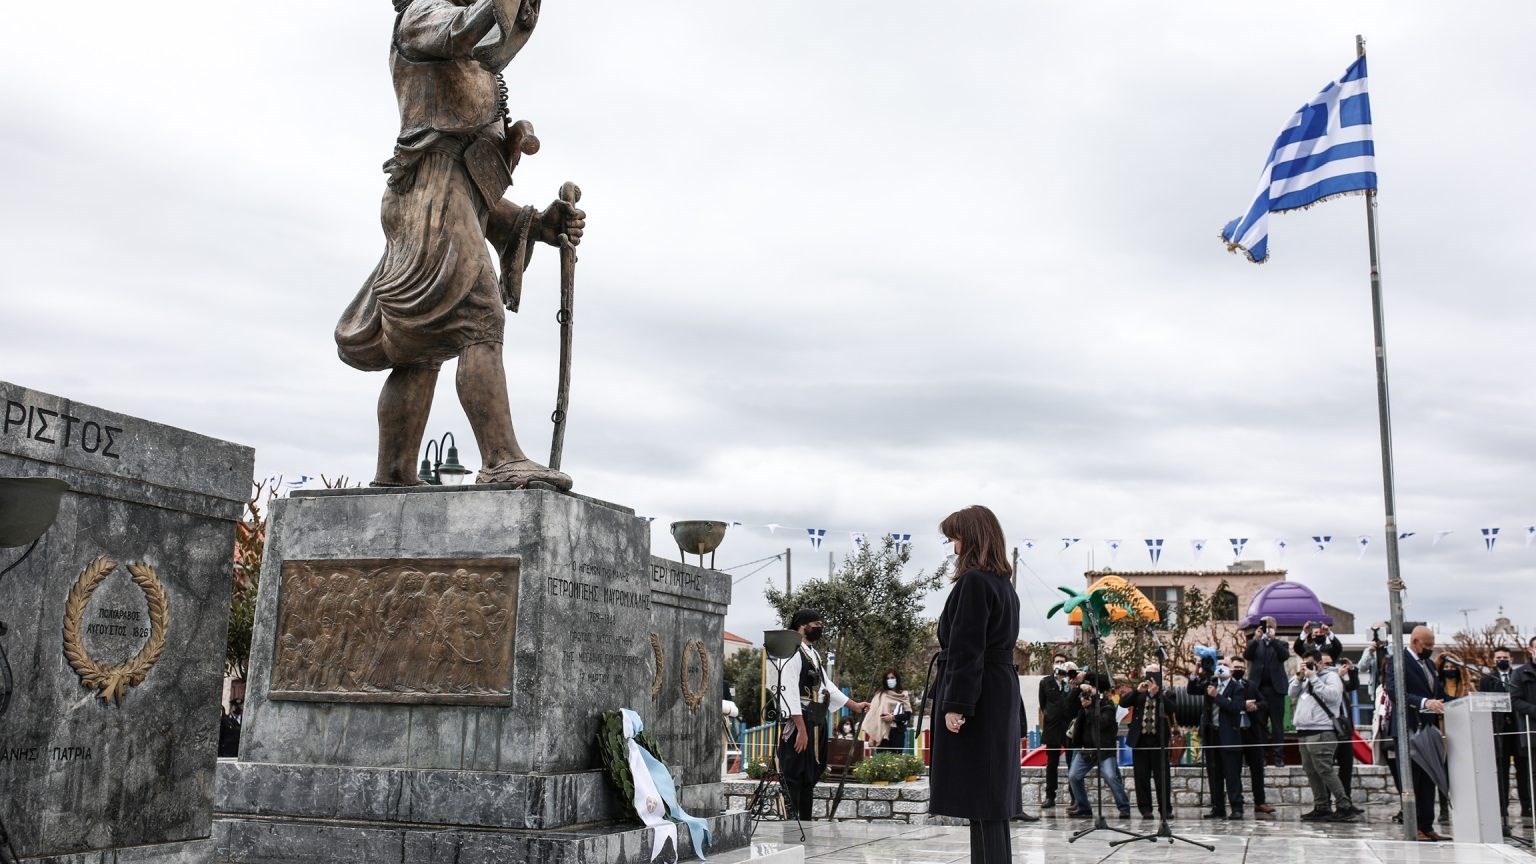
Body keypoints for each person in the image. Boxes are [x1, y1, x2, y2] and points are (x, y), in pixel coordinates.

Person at [336, 0, 587, 490]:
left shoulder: (472, 67)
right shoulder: (420, 18)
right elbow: (463, 29)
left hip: (443, 195)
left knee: (420, 345)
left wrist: (536, 223)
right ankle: (501, 459)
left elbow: (472, 190)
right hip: (428, 195)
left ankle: (393, 475)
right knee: (479, 317)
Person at [928, 505, 1022, 864]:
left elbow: (968, 647)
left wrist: (956, 704)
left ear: (969, 538)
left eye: (954, 537)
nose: (952, 545)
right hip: (998, 690)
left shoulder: (974, 582)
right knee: (989, 800)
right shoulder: (1002, 585)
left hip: (979, 694)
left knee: (983, 797)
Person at [776, 608, 870, 821]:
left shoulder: (813, 653)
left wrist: (854, 706)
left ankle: (806, 822)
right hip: (800, 721)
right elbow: (789, 691)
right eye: (816, 625)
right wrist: (800, 729)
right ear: (803, 626)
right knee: (795, 771)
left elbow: (828, 687)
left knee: (811, 772)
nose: (820, 629)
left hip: (816, 719)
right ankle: (793, 823)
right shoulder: (792, 652)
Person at [1388, 625, 1452, 840]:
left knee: (1427, 779)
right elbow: (1394, 691)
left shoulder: (1430, 665)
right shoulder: (1397, 661)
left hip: (1428, 730)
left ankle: (1427, 826)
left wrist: (1459, 702)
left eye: (1432, 646)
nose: (1430, 649)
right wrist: (1424, 702)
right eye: (1427, 645)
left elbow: (1439, 693)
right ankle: (1414, 827)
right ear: (1415, 641)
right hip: (1408, 729)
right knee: (1412, 780)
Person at [1291, 648, 1361, 822]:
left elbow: (1332, 696)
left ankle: (1344, 806)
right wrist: (1300, 677)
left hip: (1322, 731)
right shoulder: (1304, 678)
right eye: (1305, 662)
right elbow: (1291, 693)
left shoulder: (1332, 677)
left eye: (1311, 663)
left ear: (1320, 663)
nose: (1307, 666)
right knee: (1311, 770)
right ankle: (1321, 806)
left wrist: (1314, 678)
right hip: (1304, 731)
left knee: (1324, 769)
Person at [1479, 645, 1533, 827]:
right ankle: (1502, 808)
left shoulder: (1517, 676)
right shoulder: (1488, 679)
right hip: (1499, 731)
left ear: (1510, 659)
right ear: (1494, 660)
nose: (1502, 660)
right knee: (1501, 771)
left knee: (1523, 770)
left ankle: (1527, 806)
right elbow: (1483, 702)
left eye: (1505, 657)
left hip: (1518, 729)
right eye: (1498, 657)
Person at [1065, 680, 1133, 819]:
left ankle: (1124, 807)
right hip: (1085, 750)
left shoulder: (1106, 705)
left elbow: (1102, 723)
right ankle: (1084, 807)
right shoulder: (1081, 707)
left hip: (1104, 750)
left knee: (1110, 776)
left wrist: (1090, 708)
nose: (1086, 696)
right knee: (1073, 776)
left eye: (1091, 690)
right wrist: (1078, 689)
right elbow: (1067, 705)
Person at [1189, 658, 1246, 820]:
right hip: (1211, 734)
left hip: (1228, 735)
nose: (1221, 668)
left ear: (1231, 670)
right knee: (1214, 773)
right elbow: (1192, 690)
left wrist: (1217, 696)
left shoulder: (1237, 687)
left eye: (1225, 665)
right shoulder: (1211, 682)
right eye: (1219, 665)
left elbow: (1236, 707)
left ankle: (1237, 807)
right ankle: (1217, 807)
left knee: (1232, 774)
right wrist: (1196, 670)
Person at [1120, 661, 1171, 819]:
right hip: (1140, 740)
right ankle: (1145, 809)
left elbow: (1173, 708)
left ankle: (1165, 809)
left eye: (1155, 674)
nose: (1151, 677)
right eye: (1149, 674)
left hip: (1158, 741)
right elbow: (1123, 703)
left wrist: (1157, 694)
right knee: (1141, 777)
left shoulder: (1166, 693)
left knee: (1162, 777)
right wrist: (1137, 690)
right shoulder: (1139, 693)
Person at [1226, 656, 1274, 814]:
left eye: (1241, 668)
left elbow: (1264, 702)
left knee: (1257, 769)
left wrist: (1255, 706)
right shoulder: (1226, 686)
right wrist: (1242, 705)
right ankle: (1237, 803)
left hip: (1251, 732)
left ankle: (1260, 801)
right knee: (1235, 770)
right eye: (1236, 668)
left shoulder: (1250, 685)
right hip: (1234, 733)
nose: (1239, 670)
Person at [1244, 615, 1291, 766]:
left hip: (1276, 690)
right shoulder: (1255, 644)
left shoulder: (1281, 644)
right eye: (1265, 626)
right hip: (1259, 690)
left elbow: (1284, 656)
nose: (1268, 629)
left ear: (1275, 629)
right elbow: (1247, 655)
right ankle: (1262, 756)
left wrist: (1273, 640)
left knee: (1277, 725)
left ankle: (1278, 757)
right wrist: (1257, 638)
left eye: (1271, 627)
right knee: (1260, 724)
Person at [1037, 653, 1076, 809]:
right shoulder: (1045, 682)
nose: (1059, 664)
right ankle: (1050, 796)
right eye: (1057, 662)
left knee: (1071, 762)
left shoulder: (1071, 683)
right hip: (1052, 728)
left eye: (1062, 662)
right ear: (1053, 664)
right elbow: (1043, 704)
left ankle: (1075, 797)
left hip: (1068, 729)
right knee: (1051, 763)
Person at [861, 669, 912, 752]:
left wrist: (893, 717)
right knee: (882, 760)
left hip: (897, 733)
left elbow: (907, 715)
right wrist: (872, 736)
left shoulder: (903, 695)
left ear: (897, 679)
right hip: (882, 733)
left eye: (892, 677)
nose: (890, 680)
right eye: (888, 678)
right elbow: (873, 715)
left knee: (896, 761)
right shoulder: (880, 695)